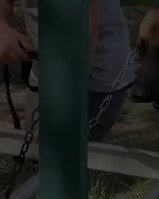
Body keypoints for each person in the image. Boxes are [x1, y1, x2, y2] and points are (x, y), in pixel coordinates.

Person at [0, 0, 136, 142]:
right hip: (46, 67)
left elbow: (87, 23)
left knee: (68, 154)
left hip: (92, 74)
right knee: (37, 150)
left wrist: (69, 93)